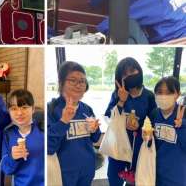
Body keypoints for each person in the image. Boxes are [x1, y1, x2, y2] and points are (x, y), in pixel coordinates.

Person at [47, 61, 100, 186]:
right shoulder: (52, 109)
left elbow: (95, 138)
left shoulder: (87, 109)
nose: (78, 85)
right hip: (64, 173)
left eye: (82, 81)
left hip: (87, 170)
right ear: (61, 83)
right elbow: (49, 147)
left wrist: (94, 129)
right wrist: (64, 121)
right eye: (72, 80)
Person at [105, 58, 156, 186]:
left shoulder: (149, 96)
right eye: (125, 74)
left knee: (136, 180)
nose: (129, 76)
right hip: (118, 147)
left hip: (139, 148)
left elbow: (154, 122)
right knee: (114, 178)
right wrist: (121, 101)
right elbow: (108, 118)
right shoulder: (117, 94)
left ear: (139, 71)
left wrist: (140, 126)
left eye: (132, 71)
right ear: (119, 78)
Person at [2, 89, 44, 186]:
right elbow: (6, 169)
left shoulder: (43, 129)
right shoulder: (8, 133)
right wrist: (12, 158)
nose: (19, 113)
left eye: (24, 107)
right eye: (14, 108)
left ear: (33, 109)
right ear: (9, 111)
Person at [149, 76, 186, 186]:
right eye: (160, 92)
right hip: (155, 174)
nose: (163, 96)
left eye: (169, 92)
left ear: (177, 94)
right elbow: (150, 144)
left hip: (177, 177)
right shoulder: (154, 114)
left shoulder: (183, 114)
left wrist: (181, 126)